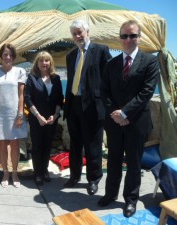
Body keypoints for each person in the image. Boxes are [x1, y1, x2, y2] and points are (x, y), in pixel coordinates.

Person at [98, 20, 159, 217]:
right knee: (113, 160)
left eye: (132, 35)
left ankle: (131, 200)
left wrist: (124, 113)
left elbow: (147, 92)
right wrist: (116, 114)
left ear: (139, 37)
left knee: (134, 163)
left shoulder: (150, 61)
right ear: (120, 39)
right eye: (124, 36)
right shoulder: (111, 64)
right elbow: (104, 92)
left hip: (137, 122)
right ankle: (110, 194)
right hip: (115, 123)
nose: (128, 39)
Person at [63, 19, 112, 195]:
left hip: (93, 106)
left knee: (93, 145)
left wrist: (108, 103)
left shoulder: (101, 51)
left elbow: (110, 77)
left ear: (87, 32)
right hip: (73, 105)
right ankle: (75, 176)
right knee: (75, 145)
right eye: (74, 34)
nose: (77, 36)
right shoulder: (70, 56)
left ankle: (94, 179)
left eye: (80, 32)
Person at [0, 43, 27, 188]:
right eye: (5, 54)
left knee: (15, 143)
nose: (8, 57)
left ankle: (15, 173)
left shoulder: (20, 71)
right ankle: (5, 172)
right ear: (0, 56)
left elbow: (21, 95)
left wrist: (20, 114)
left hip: (14, 113)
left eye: (10, 54)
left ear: (14, 57)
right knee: (2, 143)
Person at [24, 51, 63, 186]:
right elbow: (28, 99)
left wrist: (56, 115)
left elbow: (59, 99)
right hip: (36, 119)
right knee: (37, 147)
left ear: (50, 62)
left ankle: (45, 170)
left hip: (52, 119)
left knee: (47, 146)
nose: (44, 63)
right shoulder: (32, 78)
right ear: (37, 63)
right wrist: (38, 116)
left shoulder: (56, 78)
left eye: (46, 60)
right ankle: (37, 173)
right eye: (41, 61)